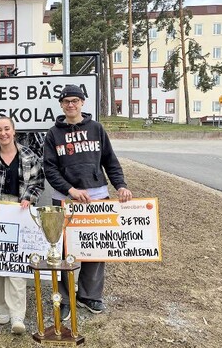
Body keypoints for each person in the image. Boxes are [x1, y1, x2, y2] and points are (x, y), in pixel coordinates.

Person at [43, 84, 133, 321]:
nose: (70, 105)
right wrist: (69, 189)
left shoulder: (96, 129)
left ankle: (89, 295)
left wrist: (121, 185)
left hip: (96, 196)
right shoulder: (53, 134)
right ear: (61, 105)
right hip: (65, 199)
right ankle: (63, 298)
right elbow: (49, 169)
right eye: (66, 101)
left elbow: (110, 161)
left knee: (95, 246)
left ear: (82, 102)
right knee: (62, 251)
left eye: (75, 100)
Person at [0, 116, 45, 334]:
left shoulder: (29, 155)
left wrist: (28, 198)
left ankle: (17, 315)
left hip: (20, 212)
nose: (3, 133)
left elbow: (38, 182)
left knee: (16, 265)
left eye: (6, 129)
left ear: (14, 131)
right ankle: (1, 308)